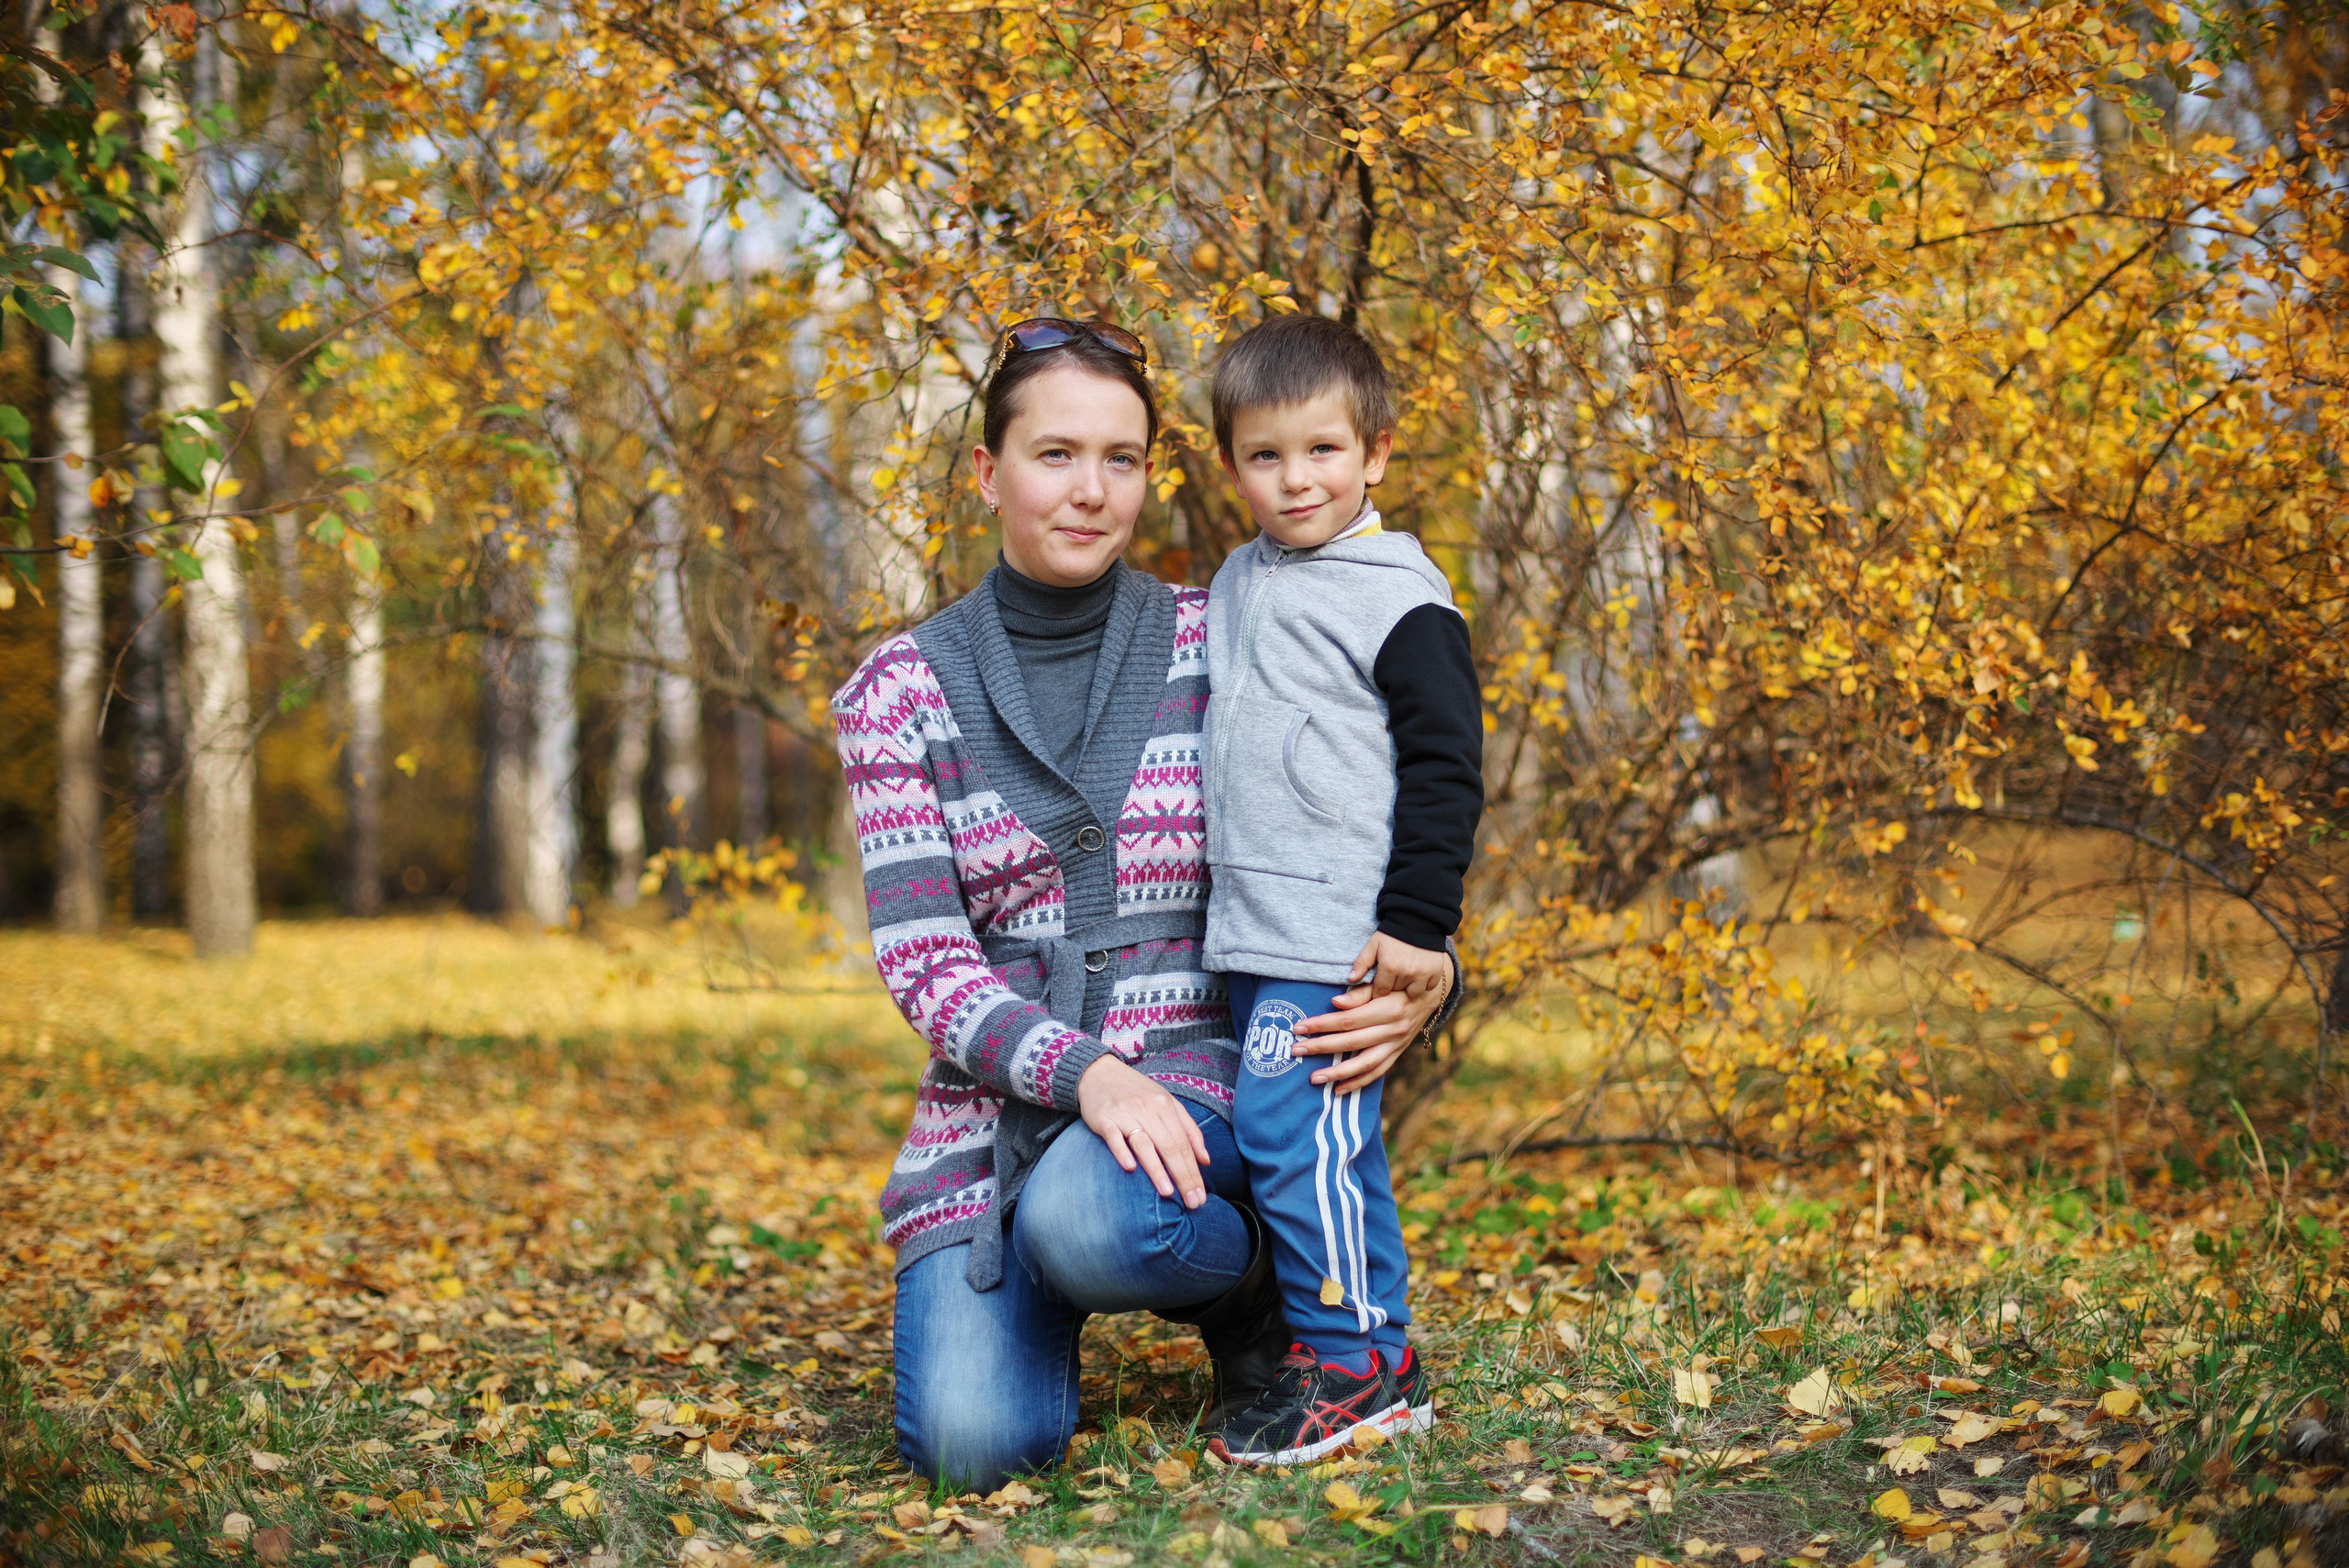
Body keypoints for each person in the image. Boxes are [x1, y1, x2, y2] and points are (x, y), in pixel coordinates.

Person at [829, 317, 1453, 1491]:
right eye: (1054, 454)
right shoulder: (896, 692)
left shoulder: (1216, 632)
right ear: (987, 473)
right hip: (997, 1124)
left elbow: (1356, 800)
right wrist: (1087, 1075)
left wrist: (1426, 961)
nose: (1089, 490)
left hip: (1209, 1077)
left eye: (1120, 458)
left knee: (1095, 1217)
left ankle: (1266, 1276)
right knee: (973, 1445)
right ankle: (1104, 1264)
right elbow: (925, 962)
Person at [1200, 313, 1484, 1465]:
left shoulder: (1398, 597)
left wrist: (1419, 928)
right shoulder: (1235, 578)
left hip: (1334, 932)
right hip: (1248, 924)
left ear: (1374, 453)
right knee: (1305, 1141)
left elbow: (1447, 763)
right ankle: (1355, 1348)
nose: (1294, 477)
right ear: (1230, 466)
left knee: (1294, 1131)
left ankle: (1355, 1361)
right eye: (1264, 455)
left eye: (1321, 450)